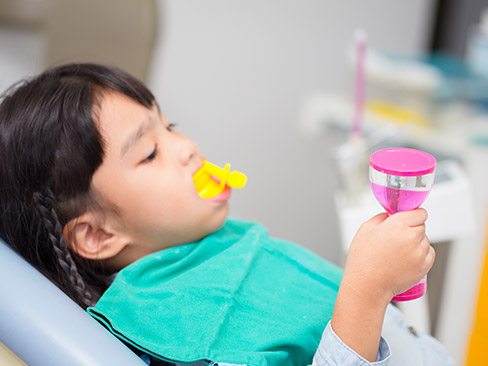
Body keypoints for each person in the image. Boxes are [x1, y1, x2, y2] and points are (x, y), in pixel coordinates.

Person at [0, 63, 454, 366]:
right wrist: (367, 291)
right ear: (98, 235)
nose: (187, 147)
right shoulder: (187, 333)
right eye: (151, 152)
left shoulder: (200, 248)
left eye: (170, 126)